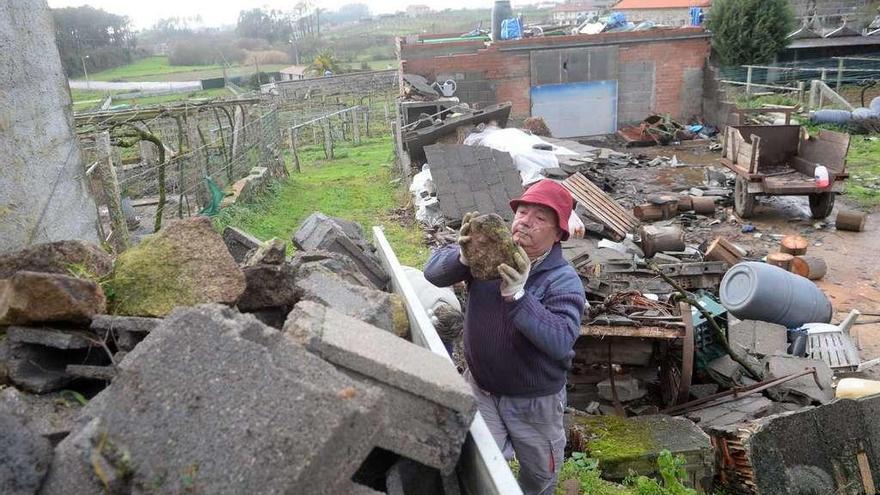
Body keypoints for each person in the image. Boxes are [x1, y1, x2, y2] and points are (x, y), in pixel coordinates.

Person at [424, 179, 586, 495]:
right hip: (481, 388)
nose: (525, 221)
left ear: (558, 234)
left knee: (539, 477)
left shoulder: (562, 281)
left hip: (535, 400)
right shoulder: (488, 256)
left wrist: (518, 295)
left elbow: (560, 340)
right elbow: (432, 274)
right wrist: (462, 257)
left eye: (540, 218)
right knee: (480, 468)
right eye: (522, 211)